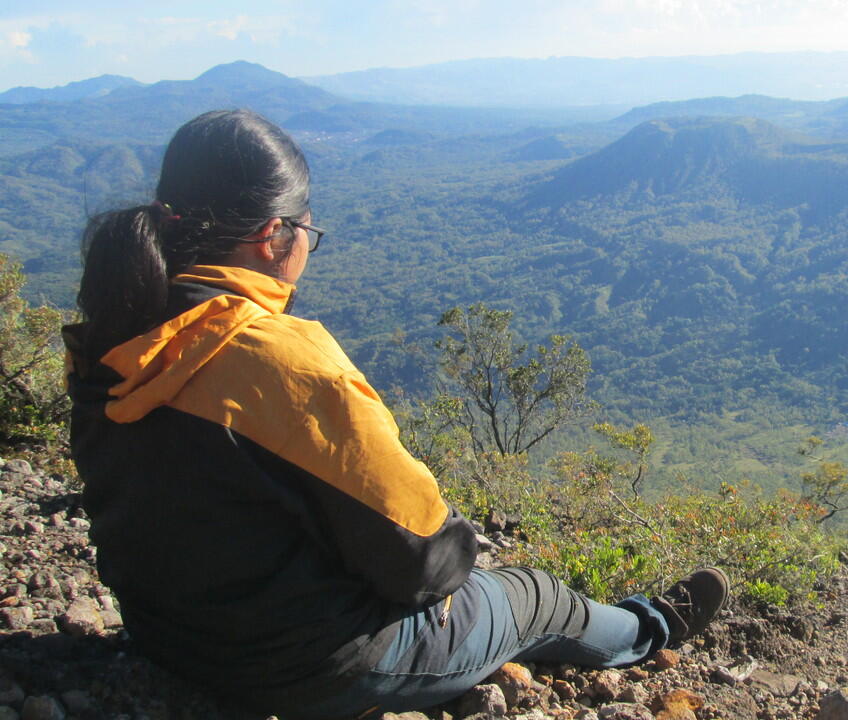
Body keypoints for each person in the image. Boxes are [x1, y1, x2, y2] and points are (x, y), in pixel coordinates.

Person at [63, 109, 728, 719]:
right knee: (534, 596)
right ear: (273, 236)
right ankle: (652, 629)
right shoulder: (282, 362)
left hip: (166, 635)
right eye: (308, 233)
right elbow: (427, 566)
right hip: (311, 668)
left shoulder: (113, 338)